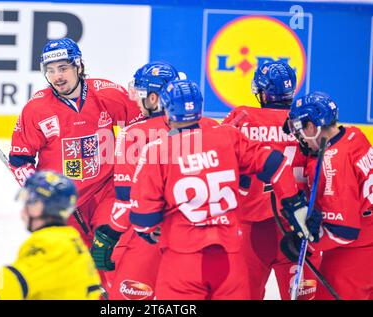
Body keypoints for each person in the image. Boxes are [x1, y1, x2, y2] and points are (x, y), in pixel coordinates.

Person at [128, 79, 320, 299]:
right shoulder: (227, 137)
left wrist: (152, 233)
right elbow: (275, 163)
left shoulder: (157, 151)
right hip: (230, 258)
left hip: (182, 261)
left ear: (167, 111)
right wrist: (293, 202)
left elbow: (143, 219)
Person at [90, 62, 218, 299]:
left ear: (153, 98)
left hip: (148, 233)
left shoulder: (133, 133)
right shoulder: (212, 128)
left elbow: (126, 199)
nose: (136, 101)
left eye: (140, 95)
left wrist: (109, 234)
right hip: (203, 234)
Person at [8, 38, 143, 250]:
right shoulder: (36, 109)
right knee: (70, 263)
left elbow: (142, 127)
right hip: (63, 202)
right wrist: (36, 188)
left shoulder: (107, 94)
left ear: (78, 66)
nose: (57, 77)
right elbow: (19, 160)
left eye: (63, 68)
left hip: (106, 191)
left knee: (111, 253)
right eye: (50, 70)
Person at [221, 61, 321, 300]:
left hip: (250, 225)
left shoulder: (241, 117)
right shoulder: (305, 122)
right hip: (297, 223)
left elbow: (216, 155)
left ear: (262, 91)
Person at [0, 171, 102, 300]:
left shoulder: (50, 245)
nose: (23, 212)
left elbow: (9, 287)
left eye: (29, 202)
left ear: (40, 206)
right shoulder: (69, 239)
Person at [284, 92, 373, 300]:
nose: (299, 137)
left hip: (354, 256)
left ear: (312, 127)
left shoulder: (330, 163)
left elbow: (344, 231)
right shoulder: (354, 134)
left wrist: (308, 244)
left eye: (300, 128)